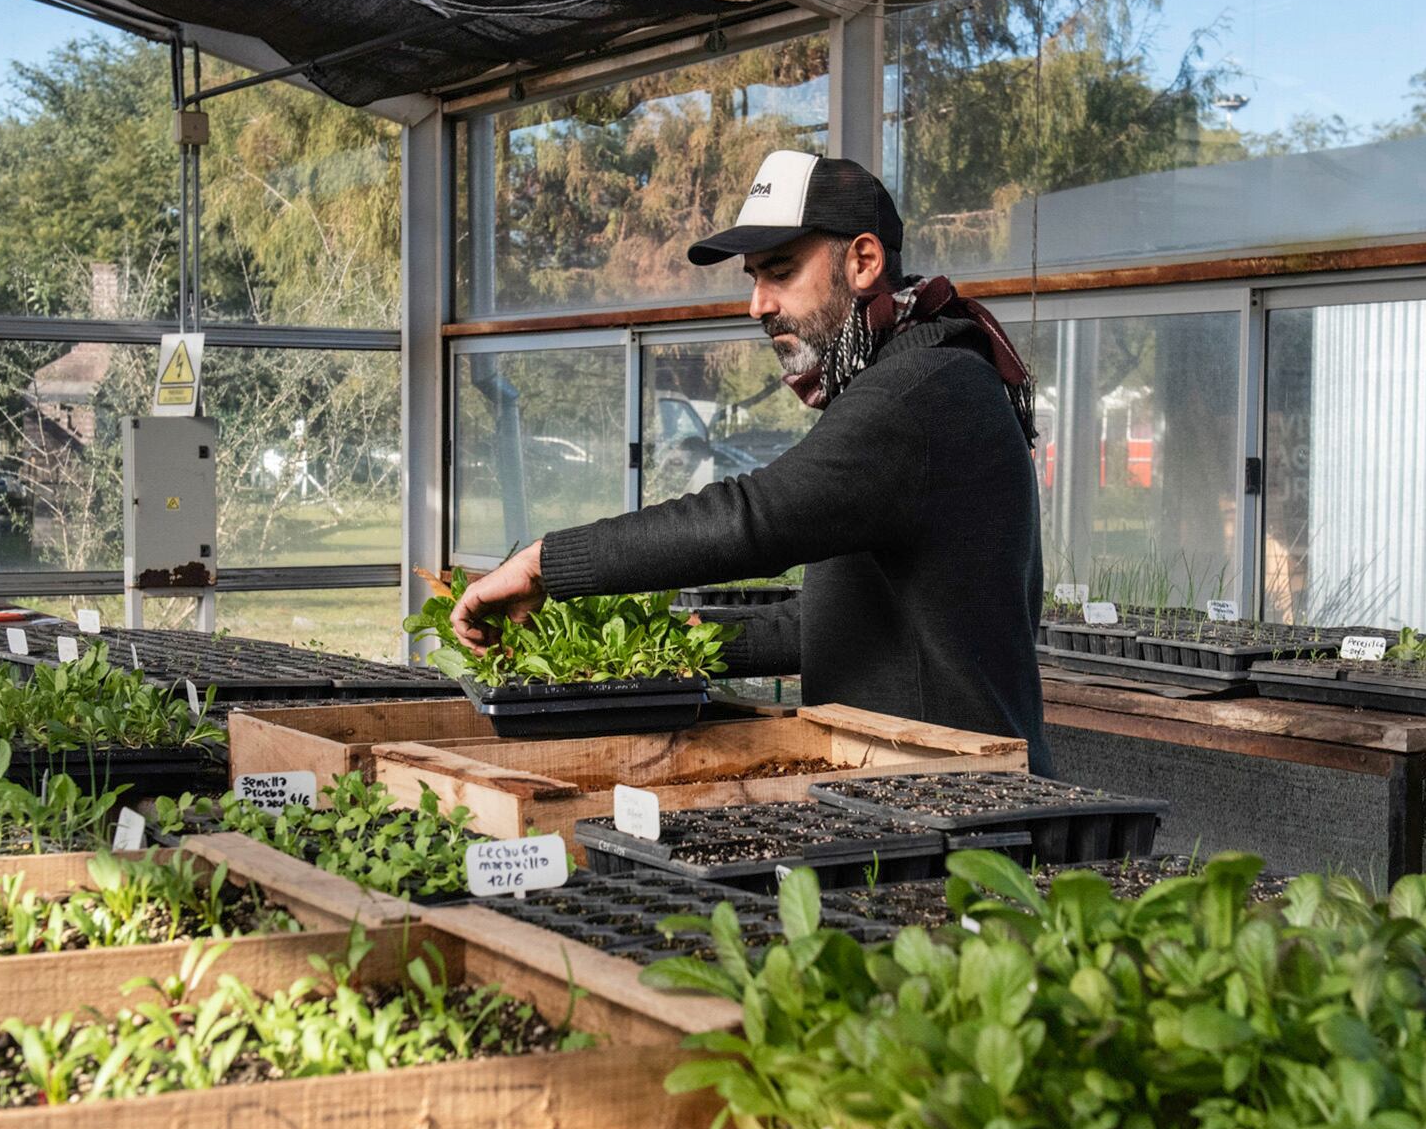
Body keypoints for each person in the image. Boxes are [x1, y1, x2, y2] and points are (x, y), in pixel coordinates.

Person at [449, 149, 1052, 774]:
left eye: (781, 272)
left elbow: (755, 516)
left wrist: (545, 564)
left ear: (864, 261)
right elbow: (830, 620)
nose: (758, 304)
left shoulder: (918, 393)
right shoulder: (917, 378)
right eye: (753, 278)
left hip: (963, 802)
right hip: (922, 787)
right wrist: (671, 640)